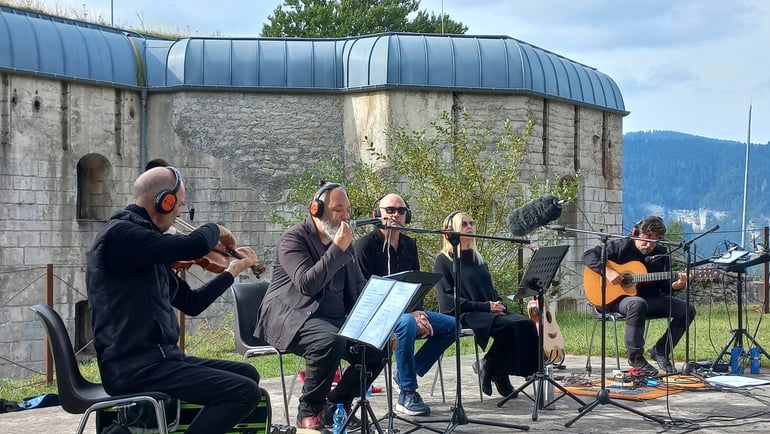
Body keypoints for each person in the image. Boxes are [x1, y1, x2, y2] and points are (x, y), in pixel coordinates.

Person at [86, 166, 262, 434]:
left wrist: (231, 272)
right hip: (134, 367)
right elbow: (194, 245)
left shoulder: (148, 252)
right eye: (178, 205)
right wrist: (216, 228)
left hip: (161, 359)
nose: (179, 213)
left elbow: (192, 303)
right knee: (243, 393)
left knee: (248, 376)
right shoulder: (121, 235)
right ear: (164, 202)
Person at [256, 182, 388, 430]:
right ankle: (309, 409)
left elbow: (358, 288)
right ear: (316, 209)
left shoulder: (344, 245)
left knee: (379, 344)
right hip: (294, 318)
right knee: (330, 340)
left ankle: (337, 405)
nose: (346, 216)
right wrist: (337, 249)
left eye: (347, 210)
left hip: (334, 320)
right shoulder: (293, 239)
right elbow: (307, 284)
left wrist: (377, 322)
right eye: (338, 209)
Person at [353, 193, 455, 416]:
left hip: (406, 312)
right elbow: (363, 294)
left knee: (452, 325)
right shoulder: (364, 246)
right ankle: (408, 393)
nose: (395, 215)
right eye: (389, 210)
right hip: (375, 315)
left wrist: (418, 311)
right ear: (376, 214)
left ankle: (405, 373)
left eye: (400, 211)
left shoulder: (409, 244)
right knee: (407, 322)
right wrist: (410, 315)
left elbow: (415, 285)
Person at [433, 211, 539, 398]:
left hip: (487, 310)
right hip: (465, 313)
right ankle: (497, 372)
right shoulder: (444, 260)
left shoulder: (477, 258)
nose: (469, 226)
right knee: (507, 327)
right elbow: (447, 300)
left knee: (526, 324)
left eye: (471, 223)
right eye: (464, 224)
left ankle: (493, 366)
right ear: (451, 230)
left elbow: (490, 291)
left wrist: (500, 304)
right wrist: (486, 307)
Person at [582, 215, 693, 375]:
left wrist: (677, 285)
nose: (649, 245)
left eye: (655, 241)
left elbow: (663, 287)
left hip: (649, 300)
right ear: (635, 233)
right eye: (646, 239)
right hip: (615, 300)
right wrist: (607, 271)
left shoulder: (661, 253)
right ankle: (635, 358)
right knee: (637, 303)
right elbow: (588, 255)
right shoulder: (620, 246)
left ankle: (661, 350)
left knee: (687, 309)